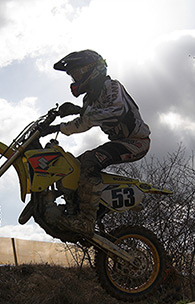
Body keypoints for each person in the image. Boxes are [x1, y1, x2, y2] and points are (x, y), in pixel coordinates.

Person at [41, 49, 151, 237]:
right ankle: (74, 209)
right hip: (120, 142)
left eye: (76, 74)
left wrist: (80, 112)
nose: (74, 80)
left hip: (135, 142)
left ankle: (86, 221)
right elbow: (83, 123)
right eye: (72, 76)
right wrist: (57, 128)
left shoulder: (112, 86)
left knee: (90, 161)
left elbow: (114, 111)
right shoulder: (89, 98)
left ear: (90, 70)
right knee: (73, 165)